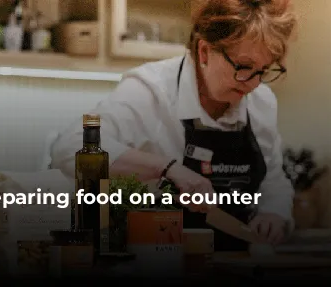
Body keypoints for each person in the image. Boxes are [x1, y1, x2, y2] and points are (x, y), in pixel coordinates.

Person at [50, 0, 297, 251]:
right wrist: (167, 168)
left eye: (263, 70)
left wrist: (274, 214)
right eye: (244, 67)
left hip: (235, 261)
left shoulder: (262, 102)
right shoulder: (150, 90)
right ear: (204, 51)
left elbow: (273, 178)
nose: (252, 83)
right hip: (156, 257)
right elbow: (70, 147)